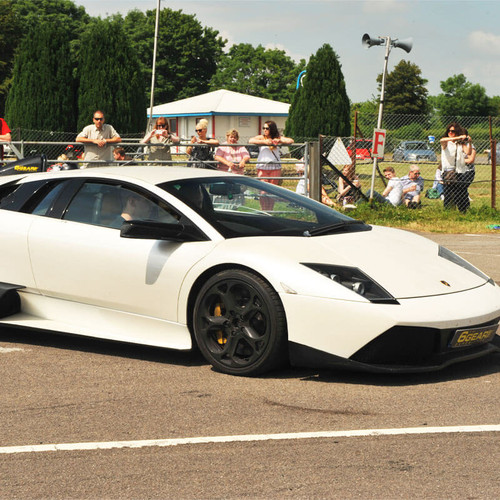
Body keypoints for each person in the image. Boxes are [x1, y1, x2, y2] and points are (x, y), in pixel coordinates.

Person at [249, 120, 293, 210]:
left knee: (272, 191)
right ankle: (264, 209)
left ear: (272, 129)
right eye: (263, 128)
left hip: (275, 167)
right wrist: (265, 142)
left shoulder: (277, 137)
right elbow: (251, 140)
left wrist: (279, 140)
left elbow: (290, 140)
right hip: (262, 167)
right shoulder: (262, 137)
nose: (265, 130)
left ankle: (270, 210)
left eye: (267, 128)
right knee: (263, 191)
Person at [440, 122, 471, 212]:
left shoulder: (460, 144)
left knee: (460, 193)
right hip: (448, 171)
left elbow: (468, 153)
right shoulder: (446, 142)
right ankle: (448, 211)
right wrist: (457, 137)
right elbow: (442, 140)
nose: (450, 133)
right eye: (449, 131)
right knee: (449, 194)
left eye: (453, 131)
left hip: (459, 171)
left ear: (457, 132)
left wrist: (469, 141)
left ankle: (463, 211)